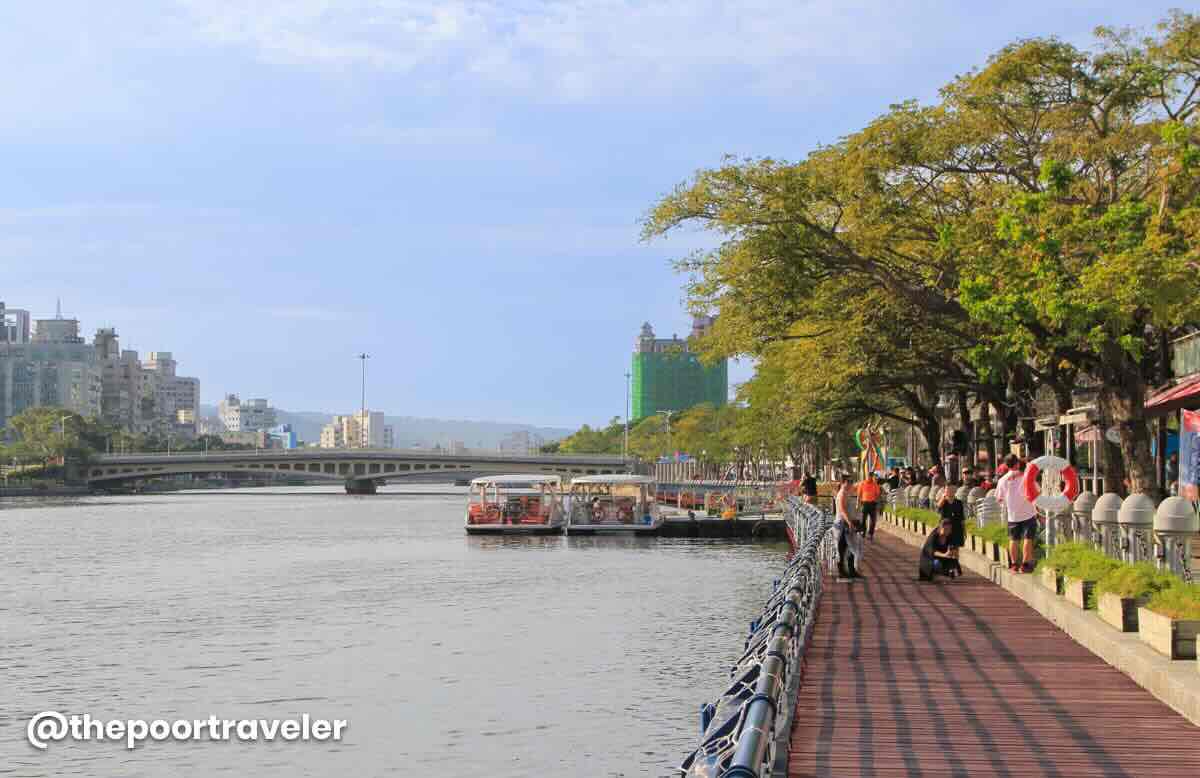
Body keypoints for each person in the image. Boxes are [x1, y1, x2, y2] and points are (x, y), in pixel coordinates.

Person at [995, 453, 1038, 573]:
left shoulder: (1002, 480)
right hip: (1028, 512)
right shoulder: (1026, 477)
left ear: (1006, 465)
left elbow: (999, 498)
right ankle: (1025, 565)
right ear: (1017, 463)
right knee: (1027, 539)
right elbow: (1037, 492)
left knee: (1013, 539)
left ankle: (1014, 564)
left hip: (1012, 515)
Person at [835, 474, 864, 579]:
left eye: (852, 481)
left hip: (847, 524)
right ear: (843, 482)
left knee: (850, 547)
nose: (851, 483)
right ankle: (843, 572)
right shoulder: (842, 494)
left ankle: (851, 571)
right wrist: (849, 522)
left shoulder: (847, 493)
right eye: (849, 481)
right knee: (843, 549)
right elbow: (842, 510)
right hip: (843, 524)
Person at [937, 484, 966, 549]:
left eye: (952, 489)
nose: (950, 491)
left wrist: (964, 530)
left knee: (955, 549)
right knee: (945, 548)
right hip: (946, 528)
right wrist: (943, 497)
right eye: (948, 489)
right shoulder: (943, 501)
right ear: (945, 490)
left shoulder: (959, 502)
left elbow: (962, 518)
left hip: (957, 528)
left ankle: (955, 558)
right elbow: (938, 507)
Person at [856, 473, 881, 539]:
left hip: (872, 503)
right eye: (869, 477)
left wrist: (877, 502)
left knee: (873, 520)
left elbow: (878, 494)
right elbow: (859, 494)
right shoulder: (862, 483)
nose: (870, 478)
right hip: (864, 503)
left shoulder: (875, 484)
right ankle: (863, 532)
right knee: (863, 519)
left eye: (871, 477)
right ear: (866, 476)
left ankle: (870, 533)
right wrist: (857, 503)